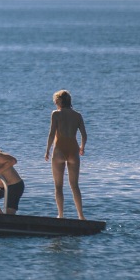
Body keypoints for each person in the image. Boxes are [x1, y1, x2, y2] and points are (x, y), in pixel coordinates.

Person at [44, 89, 87, 220]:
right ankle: (81, 216)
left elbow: (52, 134)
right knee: (75, 186)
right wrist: (82, 147)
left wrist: (47, 150)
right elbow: (84, 135)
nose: (54, 103)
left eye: (55, 101)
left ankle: (61, 215)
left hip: (59, 151)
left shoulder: (56, 114)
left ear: (60, 101)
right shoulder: (78, 115)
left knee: (58, 186)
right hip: (73, 151)